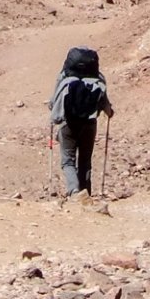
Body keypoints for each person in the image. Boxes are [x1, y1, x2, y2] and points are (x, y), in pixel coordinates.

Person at [49, 46, 113, 198]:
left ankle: (74, 191)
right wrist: (109, 112)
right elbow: (106, 106)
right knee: (85, 161)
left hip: (68, 124)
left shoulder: (64, 76)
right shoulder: (98, 78)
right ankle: (86, 194)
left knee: (67, 162)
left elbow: (53, 102)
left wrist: (53, 112)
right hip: (90, 124)